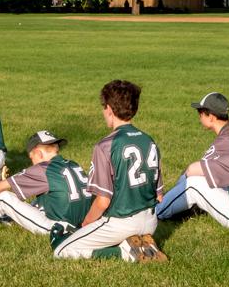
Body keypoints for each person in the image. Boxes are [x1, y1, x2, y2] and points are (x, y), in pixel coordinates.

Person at [53, 80, 167, 262]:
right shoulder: (149, 140)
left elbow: (103, 201)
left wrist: (86, 224)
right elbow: (159, 196)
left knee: (62, 250)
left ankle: (125, 253)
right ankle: (143, 244)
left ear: (109, 109)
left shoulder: (105, 145)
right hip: (151, 221)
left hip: (121, 222)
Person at [156, 92, 229, 219]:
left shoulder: (225, 140)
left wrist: (178, 187)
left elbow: (194, 171)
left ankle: (159, 210)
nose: (199, 116)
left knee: (192, 179)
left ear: (211, 117)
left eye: (200, 112)